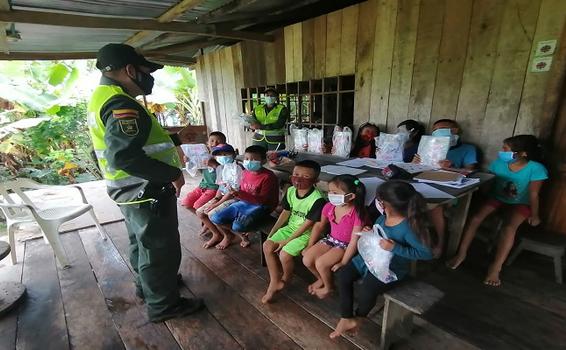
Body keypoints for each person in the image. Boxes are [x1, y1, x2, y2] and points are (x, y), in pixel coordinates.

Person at [87, 43, 203, 322]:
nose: (149, 77)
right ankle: (164, 305)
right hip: (145, 188)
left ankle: (149, 287)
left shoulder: (101, 97)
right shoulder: (120, 103)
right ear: (129, 70)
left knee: (142, 243)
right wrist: (172, 174)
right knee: (159, 248)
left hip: (128, 190)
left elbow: (119, 146)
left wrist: (175, 140)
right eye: (145, 71)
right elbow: (124, 157)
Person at [330, 181, 433, 339]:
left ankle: (359, 317)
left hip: (390, 268)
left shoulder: (408, 227)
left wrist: (395, 248)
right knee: (344, 275)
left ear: (386, 204)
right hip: (369, 259)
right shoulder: (382, 217)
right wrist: (369, 232)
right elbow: (378, 233)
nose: (376, 202)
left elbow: (426, 254)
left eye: (378, 199)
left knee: (368, 288)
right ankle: (346, 317)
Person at [447, 135, 548, 286]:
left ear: (523, 153)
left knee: (508, 228)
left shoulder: (536, 168)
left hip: (521, 203)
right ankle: (461, 253)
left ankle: (496, 267)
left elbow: (534, 194)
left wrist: (535, 215)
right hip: (497, 198)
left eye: (506, 149)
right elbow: (489, 181)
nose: (502, 152)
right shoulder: (499, 163)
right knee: (475, 219)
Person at [261, 160, 327, 304]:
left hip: (306, 233)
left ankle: (287, 277)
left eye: (306, 176)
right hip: (290, 228)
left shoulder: (318, 199)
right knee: (267, 245)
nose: (298, 178)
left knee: (284, 254)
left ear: (316, 180)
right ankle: (275, 281)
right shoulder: (291, 191)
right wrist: (273, 231)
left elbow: (308, 224)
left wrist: (287, 241)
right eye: (296, 174)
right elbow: (285, 212)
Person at [413, 119, 479, 256]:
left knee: (435, 207)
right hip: (424, 183)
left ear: (455, 131)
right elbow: (414, 170)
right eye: (435, 130)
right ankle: (414, 241)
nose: (438, 132)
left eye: (442, 128)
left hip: (449, 188)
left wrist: (452, 168)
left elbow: (471, 172)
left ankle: (440, 243)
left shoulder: (467, 149)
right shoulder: (427, 146)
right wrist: (414, 163)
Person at [302, 175, 367, 299]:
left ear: (351, 196)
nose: (330, 195)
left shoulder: (358, 213)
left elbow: (354, 241)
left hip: (346, 246)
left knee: (321, 263)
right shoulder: (329, 207)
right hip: (331, 239)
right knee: (307, 259)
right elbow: (319, 226)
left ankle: (328, 287)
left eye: (335, 193)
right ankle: (321, 278)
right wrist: (310, 245)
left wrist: (343, 262)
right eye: (329, 192)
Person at [210, 145, 279, 248]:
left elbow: (263, 201)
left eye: (254, 159)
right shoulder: (245, 172)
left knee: (237, 225)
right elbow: (241, 191)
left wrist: (239, 194)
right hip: (243, 202)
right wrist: (234, 192)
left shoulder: (268, 177)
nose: (249, 161)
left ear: (263, 161)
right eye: (246, 159)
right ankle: (241, 233)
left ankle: (244, 230)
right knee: (215, 218)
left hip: (262, 206)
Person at [196, 143, 240, 249]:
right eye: (219, 155)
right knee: (200, 212)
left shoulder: (238, 169)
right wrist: (215, 199)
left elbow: (233, 191)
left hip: (235, 198)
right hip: (223, 197)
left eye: (226, 153)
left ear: (234, 154)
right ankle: (217, 234)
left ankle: (228, 235)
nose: (222, 157)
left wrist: (217, 204)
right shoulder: (220, 168)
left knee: (211, 213)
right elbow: (221, 187)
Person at [180, 131, 225, 209]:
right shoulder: (203, 155)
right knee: (186, 203)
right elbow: (195, 169)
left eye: (218, 142)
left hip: (214, 188)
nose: (214, 144)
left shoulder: (224, 158)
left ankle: (204, 217)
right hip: (203, 185)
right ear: (207, 143)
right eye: (212, 141)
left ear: (224, 144)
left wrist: (215, 165)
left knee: (198, 206)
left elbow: (226, 175)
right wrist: (189, 161)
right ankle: (202, 217)